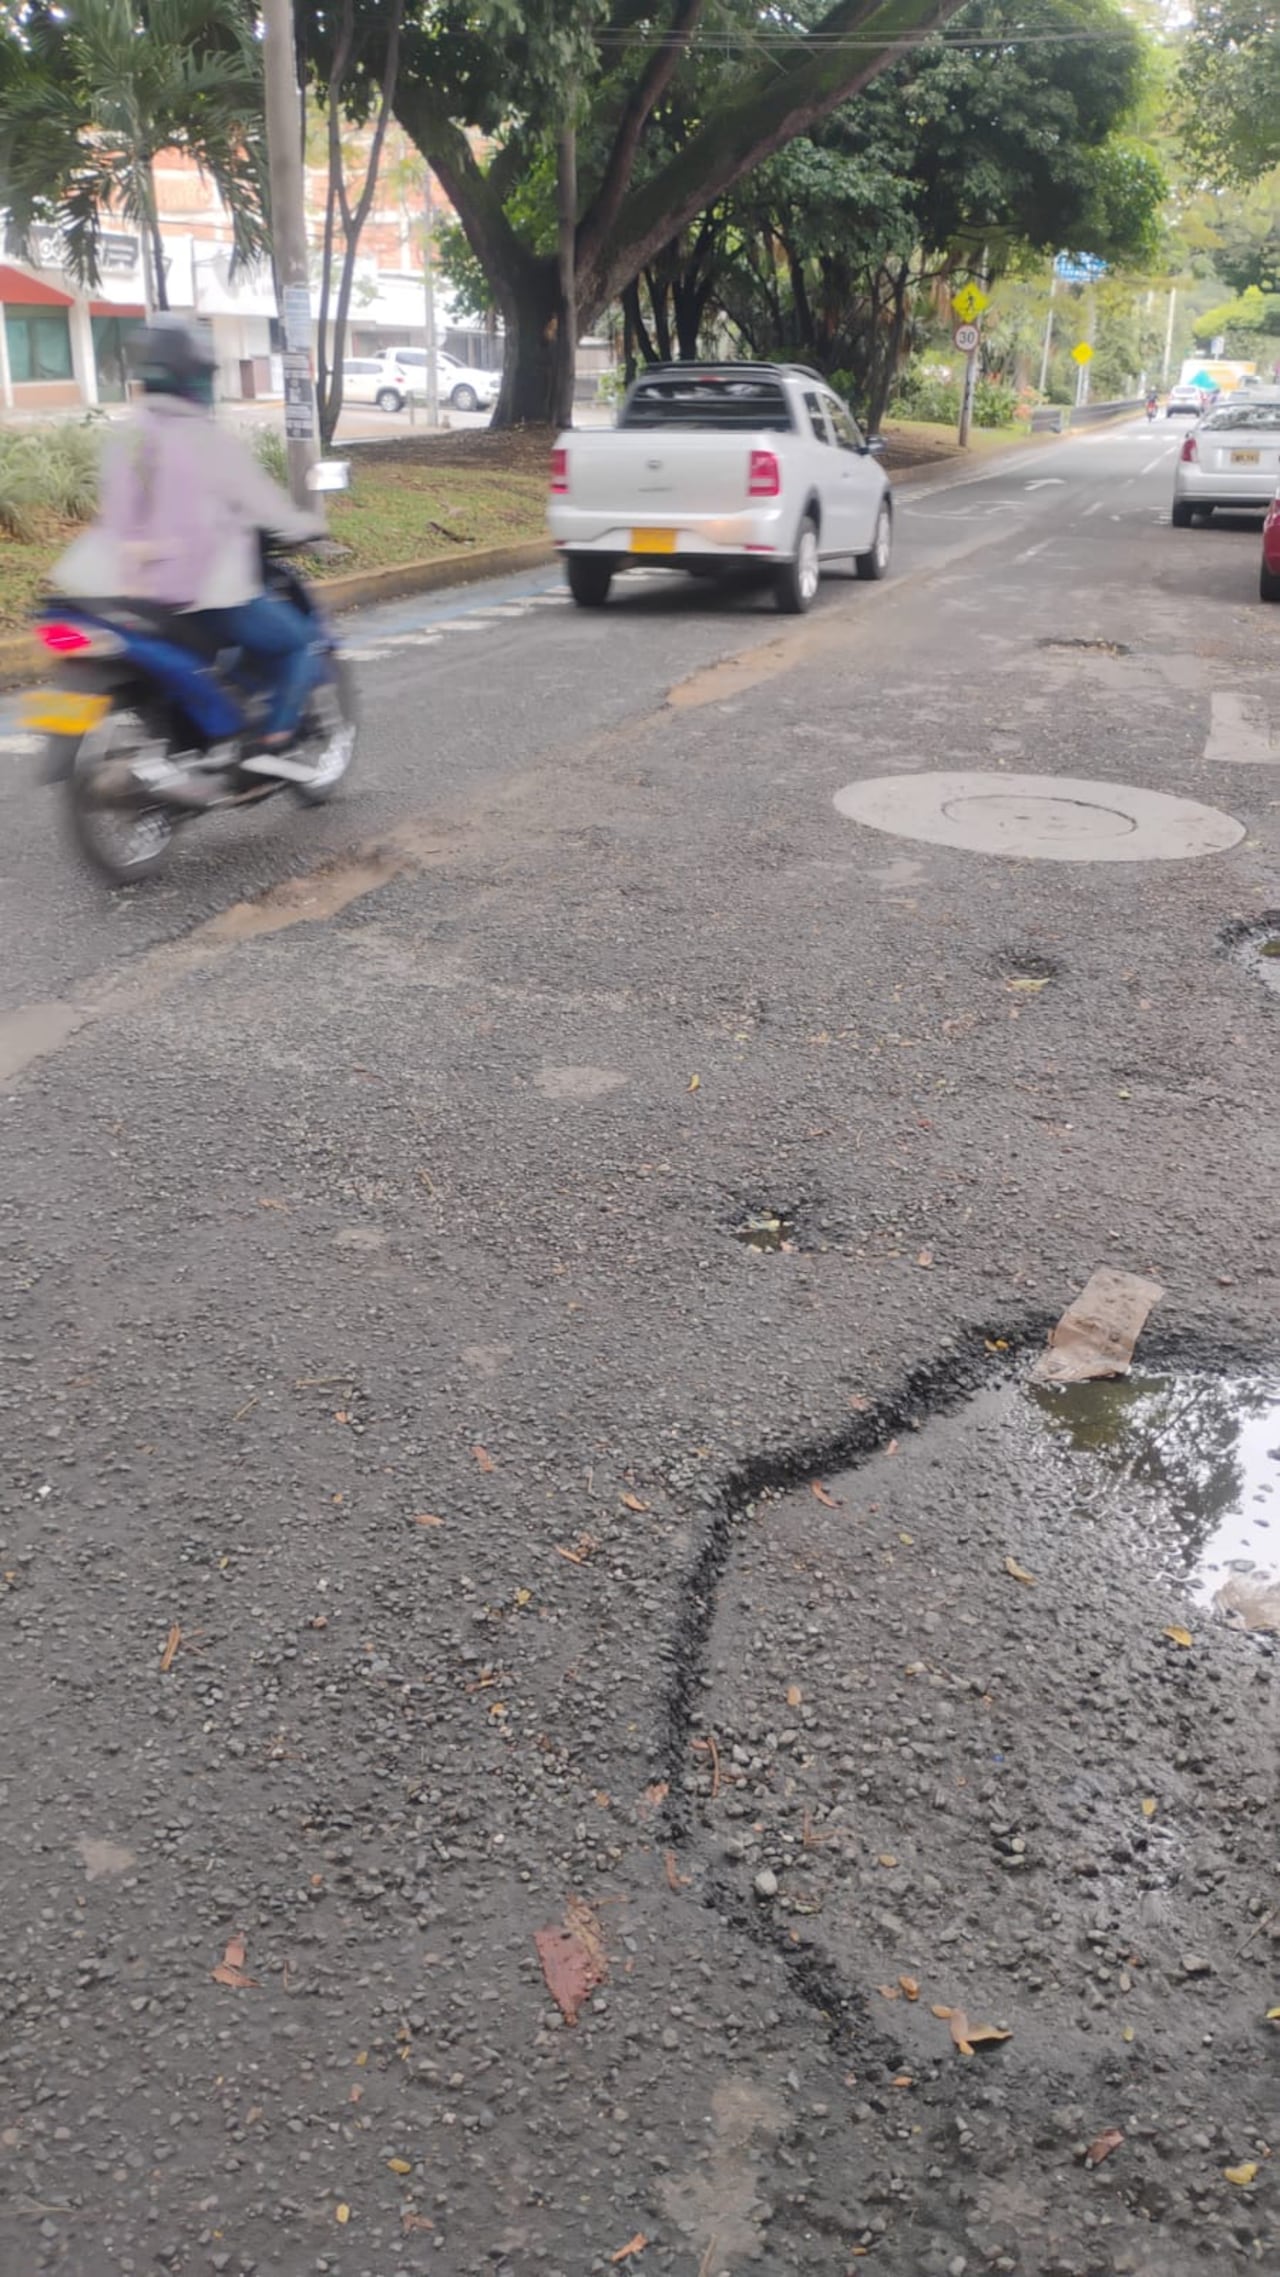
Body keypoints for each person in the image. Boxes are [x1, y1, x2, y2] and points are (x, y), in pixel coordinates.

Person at [55, 314, 325, 798]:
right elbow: (264, 505)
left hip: (121, 590)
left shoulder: (124, 436)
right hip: (204, 592)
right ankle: (274, 741)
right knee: (298, 644)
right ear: (195, 375)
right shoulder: (207, 439)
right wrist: (306, 527)